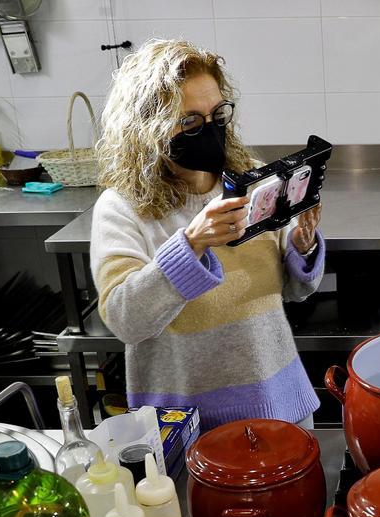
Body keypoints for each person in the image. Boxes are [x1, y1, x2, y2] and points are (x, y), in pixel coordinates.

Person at [92, 39, 325, 430]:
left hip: (280, 405)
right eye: (190, 121)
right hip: (185, 424)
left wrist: (302, 247)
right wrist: (191, 244)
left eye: (217, 114)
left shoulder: (250, 178)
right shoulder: (123, 207)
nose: (209, 129)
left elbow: (297, 290)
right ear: (147, 126)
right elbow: (124, 319)